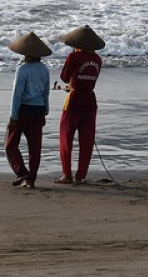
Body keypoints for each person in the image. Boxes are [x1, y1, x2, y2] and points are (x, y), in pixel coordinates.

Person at [55, 24, 104, 185]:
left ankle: (66, 174)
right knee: (87, 141)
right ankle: (81, 175)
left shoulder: (73, 57)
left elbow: (64, 77)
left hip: (74, 100)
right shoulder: (97, 59)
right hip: (90, 100)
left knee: (66, 138)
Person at [6, 31, 52, 189]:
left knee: (11, 145)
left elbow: (17, 94)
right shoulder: (44, 69)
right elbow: (46, 92)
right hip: (38, 110)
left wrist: (13, 115)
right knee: (35, 147)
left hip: (24, 110)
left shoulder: (23, 69)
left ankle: (21, 172)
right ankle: (31, 178)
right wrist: (45, 111)